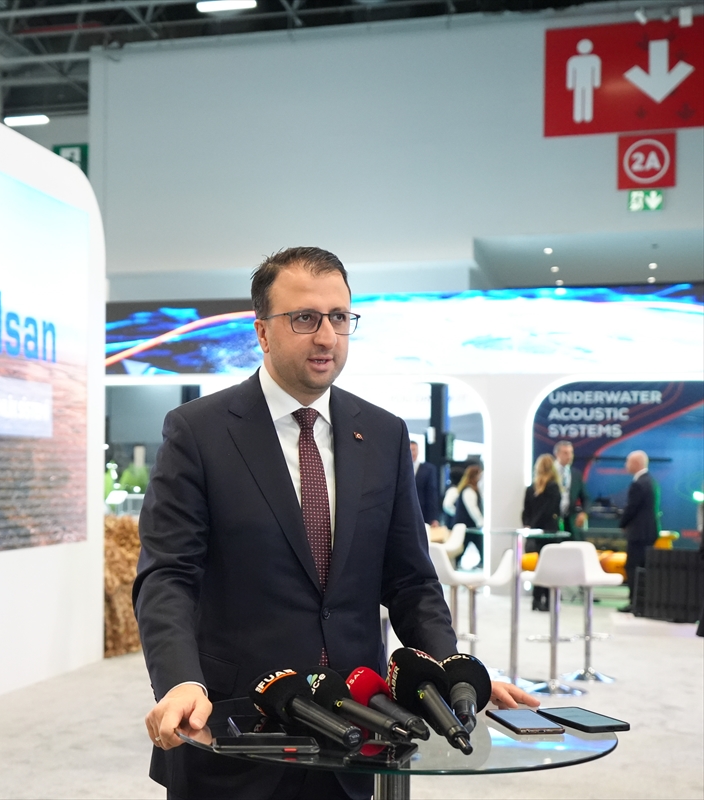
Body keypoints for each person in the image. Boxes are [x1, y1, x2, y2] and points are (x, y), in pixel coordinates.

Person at [133, 247, 536, 800]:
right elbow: (168, 576)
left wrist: (451, 671)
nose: (326, 337)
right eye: (305, 318)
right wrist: (180, 679)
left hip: (358, 732)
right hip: (234, 729)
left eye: (340, 318)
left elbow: (410, 581)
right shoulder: (198, 432)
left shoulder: (384, 434)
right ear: (262, 332)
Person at [618, 450, 660, 613]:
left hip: (638, 533)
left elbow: (632, 508)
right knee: (643, 567)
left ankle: (635, 603)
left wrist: (622, 523)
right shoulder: (650, 481)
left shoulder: (638, 483)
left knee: (633, 567)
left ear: (636, 463)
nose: (625, 465)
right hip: (649, 532)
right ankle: (642, 602)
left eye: (628, 461)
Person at [522, 454, 563, 611]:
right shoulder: (554, 488)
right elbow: (551, 510)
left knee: (538, 566)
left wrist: (530, 526)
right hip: (550, 532)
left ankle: (536, 599)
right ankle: (548, 600)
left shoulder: (530, 488)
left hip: (534, 533)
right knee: (549, 567)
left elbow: (526, 512)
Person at [553, 440, 590, 540]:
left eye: (571, 453)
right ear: (557, 454)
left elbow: (585, 497)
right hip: (552, 520)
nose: (569, 456)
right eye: (565, 453)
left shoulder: (576, 474)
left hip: (570, 520)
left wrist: (584, 513)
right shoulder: (549, 473)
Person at [452, 463, 484, 570]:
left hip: (466, 525)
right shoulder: (469, 490)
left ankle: (454, 565)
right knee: (462, 547)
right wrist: (481, 522)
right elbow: (472, 509)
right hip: (467, 526)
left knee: (464, 547)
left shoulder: (468, 489)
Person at [411, 441, 441, 528]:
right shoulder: (401, 469)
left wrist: (434, 517)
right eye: (409, 450)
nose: (412, 453)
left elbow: (432, 493)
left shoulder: (428, 469)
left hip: (423, 512)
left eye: (414, 450)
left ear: (418, 451)